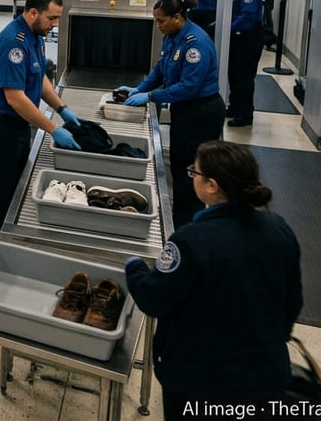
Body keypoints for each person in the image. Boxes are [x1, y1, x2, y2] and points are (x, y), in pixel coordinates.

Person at [126, 141, 302, 419]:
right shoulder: (279, 228)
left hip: (200, 382)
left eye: (194, 173)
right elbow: (292, 303)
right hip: (266, 376)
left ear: (211, 185)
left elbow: (154, 298)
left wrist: (134, 267)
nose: (192, 177)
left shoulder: (191, 241)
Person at [0, 0, 81, 250]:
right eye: (51, 19)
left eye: (57, 19)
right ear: (33, 13)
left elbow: (38, 77)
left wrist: (62, 108)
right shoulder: (15, 42)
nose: (55, 25)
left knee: (11, 193)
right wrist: (53, 129)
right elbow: (15, 98)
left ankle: (4, 249)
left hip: (16, 126)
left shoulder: (36, 37)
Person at [118, 0, 223, 227]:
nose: (158, 26)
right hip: (184, 111)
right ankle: (179, 221)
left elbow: (189, 87)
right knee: (179, 166)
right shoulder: (172, 36)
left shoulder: (195, 44)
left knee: (191, 175)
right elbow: (159, 70)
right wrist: (138, 89)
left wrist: (150, 96)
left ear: (178, 17)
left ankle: (187, 227)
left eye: (161, 21)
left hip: (201, 113)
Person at [226, 0, 264, 128]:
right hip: (237, 37)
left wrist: (227, 28)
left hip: (248, 38)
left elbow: (247, 18)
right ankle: (234, 107)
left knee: (244, 78)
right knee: (234, 75)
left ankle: (245, 114)